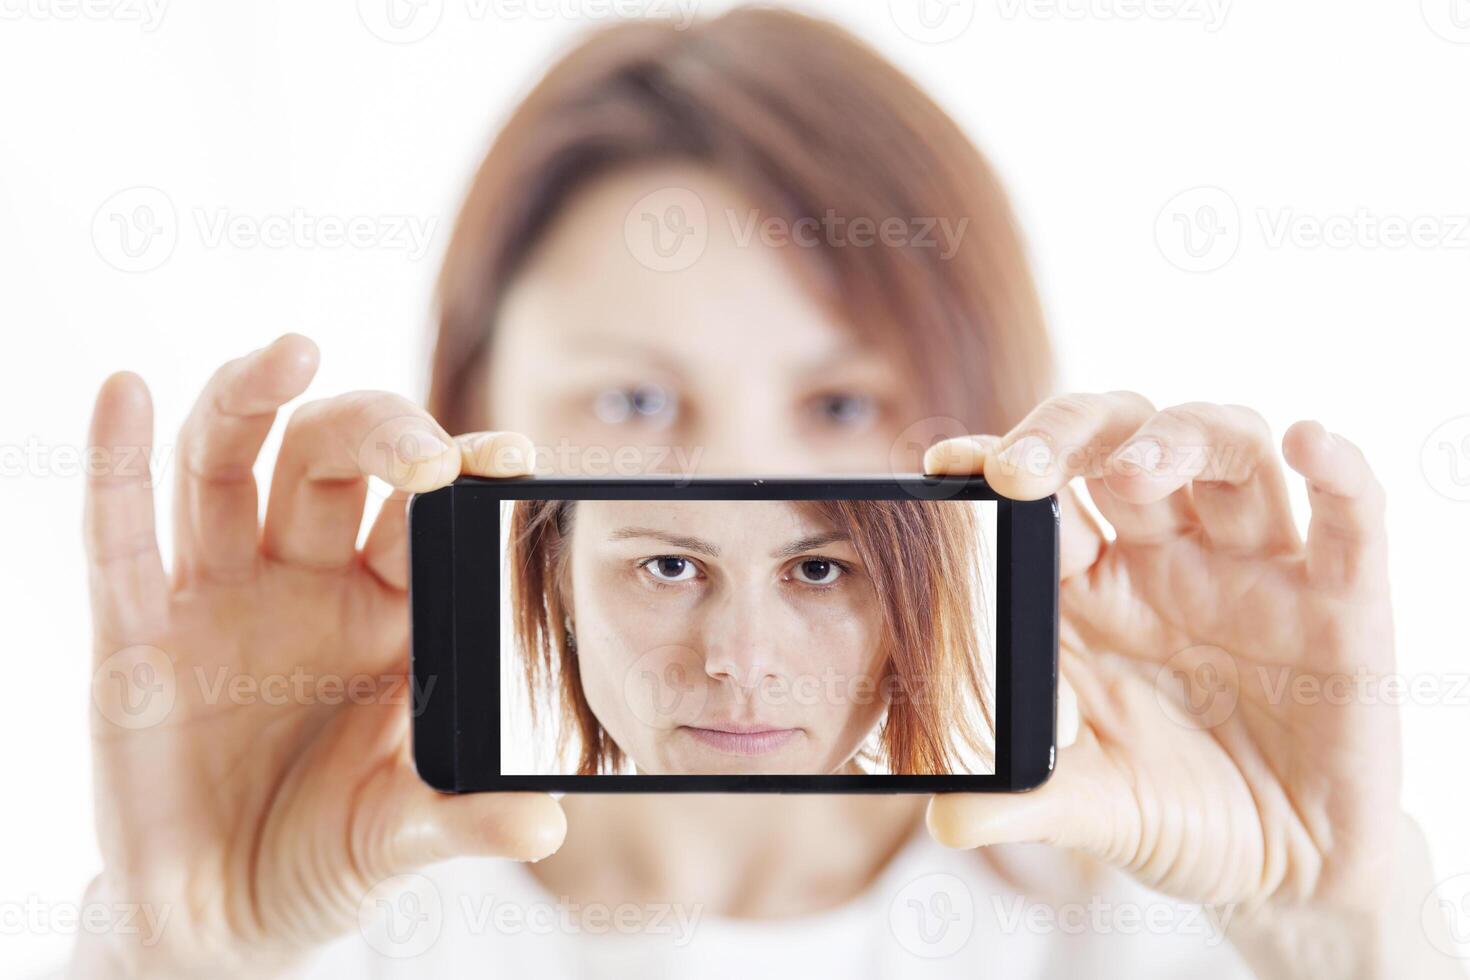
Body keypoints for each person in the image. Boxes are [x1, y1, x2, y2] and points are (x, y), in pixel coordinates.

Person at [72, 8, 1458, 978]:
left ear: (987, 452)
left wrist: (1348, 934)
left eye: (841, 406)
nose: (737, 651)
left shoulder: (1186, 927)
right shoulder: (320, 928)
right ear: (470, 434)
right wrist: (175, 965)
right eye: (630, 403)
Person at [502, 497, 995, 776]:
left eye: (818, 569)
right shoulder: (440, 876)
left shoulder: (1047, 893)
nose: (742, 663)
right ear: (562, 582)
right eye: (670, 567)